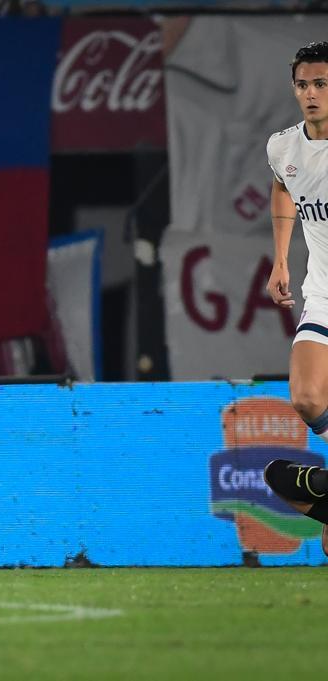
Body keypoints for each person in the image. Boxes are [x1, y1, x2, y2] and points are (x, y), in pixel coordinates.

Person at [264, 41, 328, 557]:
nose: (311, 94)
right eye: (304, 85)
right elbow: (284, 187)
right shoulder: (283, 147)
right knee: (306, 396)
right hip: (322, 293)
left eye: (321, 84)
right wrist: (282, 258)